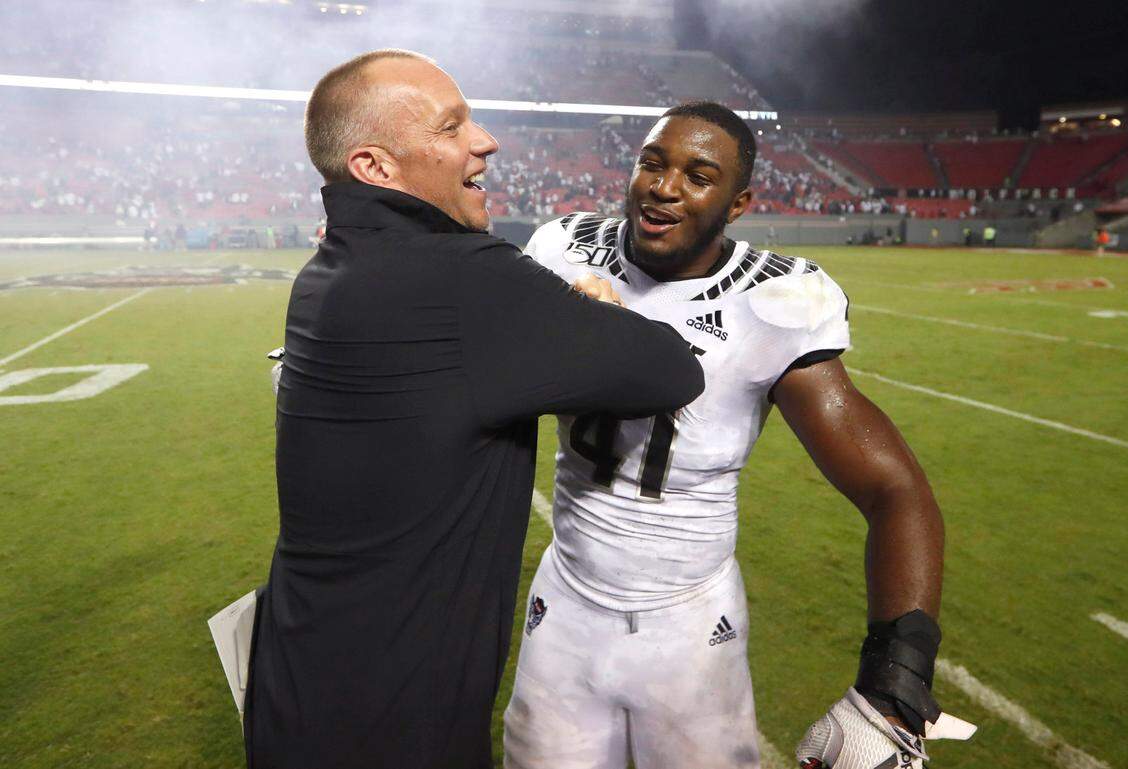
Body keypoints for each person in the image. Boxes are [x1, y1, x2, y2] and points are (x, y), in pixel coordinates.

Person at [243, 50, 704, 769]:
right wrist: (602, 311)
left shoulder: (333, 266)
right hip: (391, 724)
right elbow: (668, 368)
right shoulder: (462, 280)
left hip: (298, 680)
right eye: (451, 126)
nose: (484, 140)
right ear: (376, 166)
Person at [503, 102, 973, 769]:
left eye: (698, 175)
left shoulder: (771, 300)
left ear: (739, 201)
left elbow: (895, 489)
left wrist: (895, 689)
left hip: (692, 623)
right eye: (652, 163)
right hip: (566, 606)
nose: (664, 187)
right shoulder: (562, 247)